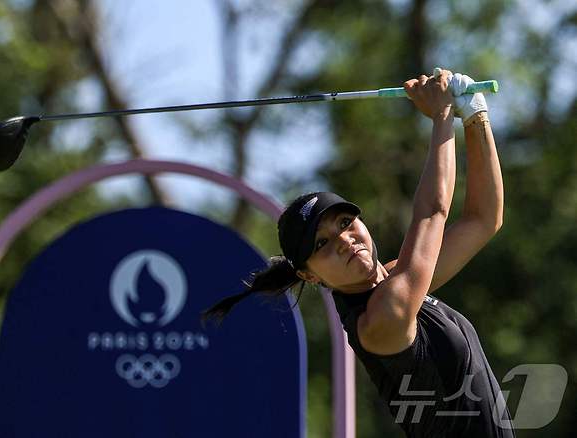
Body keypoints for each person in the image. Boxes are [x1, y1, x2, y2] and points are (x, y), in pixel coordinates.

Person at [202, 69, 512, 437]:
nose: (344, 240)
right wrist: (442, 114)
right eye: (322, 244)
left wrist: (475, 115)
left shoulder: (398, 279)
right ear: (309, 275)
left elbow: (483, 219)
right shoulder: (380, 318)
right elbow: (432, 211)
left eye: (345, 222)